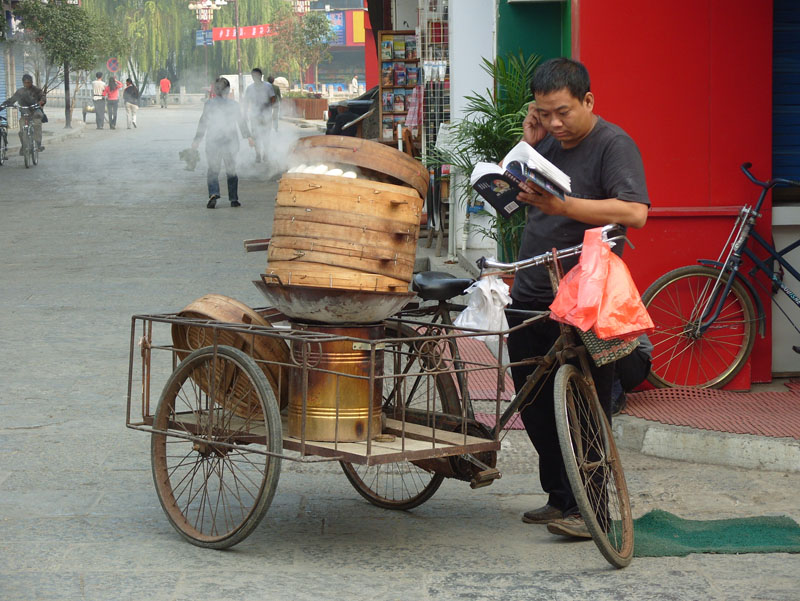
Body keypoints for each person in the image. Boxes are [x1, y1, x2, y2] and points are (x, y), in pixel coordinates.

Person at [507, 58, 649, 539]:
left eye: (563, 112)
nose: (555, 123)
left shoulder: (613, 144)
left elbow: (634, 211)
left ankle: (590, 511)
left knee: (585, 406)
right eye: (545, 113)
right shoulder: (544, 141)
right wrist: (527, 144)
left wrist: (566, 207)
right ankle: (559, 498)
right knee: (535, 404)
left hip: (584, 295)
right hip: (531, 289)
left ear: (588, 101)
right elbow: (510, 198)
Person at [191, 77, 253, 209]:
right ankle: (234, 199)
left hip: (213, 141)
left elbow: (203, 122)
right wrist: (248, 137)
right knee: (231, 169)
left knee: (213, 169)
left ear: (215, 90)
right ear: (228, 90)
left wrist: (197, 140)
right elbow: (241, 122)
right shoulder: (234, 105)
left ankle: (213, 194)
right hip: (230, 142)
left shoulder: (209, 104)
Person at [0, 73, 46, 152]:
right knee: (22, 130)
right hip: (25, 112)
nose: (27, 84)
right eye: (25, 82)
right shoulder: (20, 91)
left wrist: (41, 102)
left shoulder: (37, 90)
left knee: (37, 124)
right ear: (23, 83)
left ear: (31, 82)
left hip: (35, 111)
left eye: (28, 82)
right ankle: (24, 146)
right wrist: (3, 106)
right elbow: (12, 100)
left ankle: (38, 145)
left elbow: (43, 97)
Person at [244, 68, 276, 163]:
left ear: (261, 76)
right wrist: (245, 113)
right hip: (254, 116)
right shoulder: (250, 88)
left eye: (257, 76)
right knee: (256, 136)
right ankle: (258, 155)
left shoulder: (268, 86)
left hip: (266, 116)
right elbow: (246, 102)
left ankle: (266, 154)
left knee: (266, 136)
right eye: (253, 76)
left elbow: (273, 98)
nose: (255, 77)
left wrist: (268, 105)